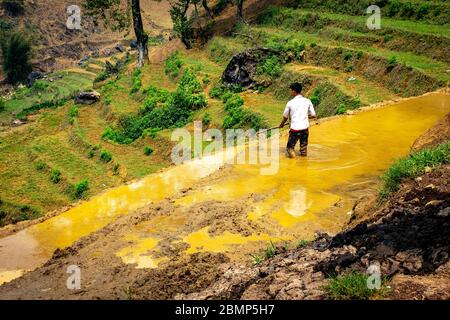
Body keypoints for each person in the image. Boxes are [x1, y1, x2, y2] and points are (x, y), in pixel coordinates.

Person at [279, 82, 317, 158]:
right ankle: (303, 163)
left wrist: (282, 124)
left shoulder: (290, 103)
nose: (291, 92)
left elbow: (285, 117)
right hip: (305, 129)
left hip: (295, 130)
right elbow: (313, 115)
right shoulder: (307, 101)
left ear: (293, 91)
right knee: (303, 148)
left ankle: (295, 163)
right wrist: (305, 116)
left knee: (290, 148)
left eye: (291, 90)